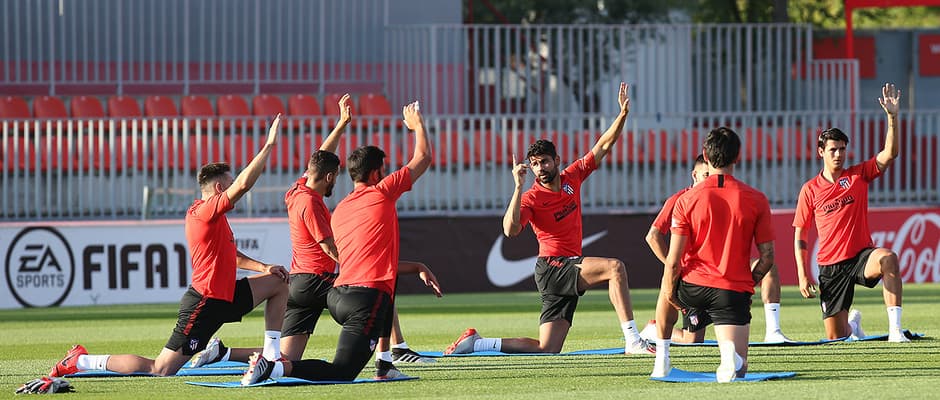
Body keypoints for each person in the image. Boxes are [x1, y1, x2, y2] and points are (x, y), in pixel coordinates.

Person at [190, 96, 440, 373]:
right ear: (331, 177)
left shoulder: (298, 189)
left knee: (287, 358)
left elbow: (320, 159)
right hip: (316, 281)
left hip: (298, 282)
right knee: (376, 286)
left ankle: (223, 352)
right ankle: (391, 356)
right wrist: (361, 261)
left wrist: (342, 124)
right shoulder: (311, 204)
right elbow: (329, 248)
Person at [49, 116, 290, 377]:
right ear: (220, 188)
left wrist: (263, 267)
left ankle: (271, 356)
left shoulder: (216, 218)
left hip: (226, 295)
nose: (234, 190)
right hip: (205, 302)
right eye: (228, 186)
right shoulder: (204, 212)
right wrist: (269, 145)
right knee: (161, 369)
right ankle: (81, 361)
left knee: (278, 281)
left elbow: (231, 256)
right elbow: (244, 185)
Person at [443, 83, 653, 356]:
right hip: (553, 266)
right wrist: (517, 188)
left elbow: (603, 145)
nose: (539, 168)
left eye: (544, 161)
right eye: (534, 164)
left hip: (561, 268)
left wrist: (622, 115)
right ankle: (634, 341)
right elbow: (510, 231)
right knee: (615, 268)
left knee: (547, 348)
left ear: (557, 160)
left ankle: (477, 342)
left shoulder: (572, 177)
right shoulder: (530, 197)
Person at [651, 126, 775, 382]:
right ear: (737, 157)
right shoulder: (757, 199)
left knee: (668, 279)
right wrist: (748, 283)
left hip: (693, 288)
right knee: (739, 371)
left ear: (705, 155)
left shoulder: (686, 200)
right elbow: (767, 258)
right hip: (731, 291)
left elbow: (673, 262)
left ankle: (661, 360)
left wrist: (671, 292)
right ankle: (730, 356)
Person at [793, 83, 908, 342]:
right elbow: (801, 233)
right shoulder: (809, 189)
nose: (838, 154)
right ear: (821, 152)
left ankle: (895, 331)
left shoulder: (858, 175)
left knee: (889, 257)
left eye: (842, 149)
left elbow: (890, 154)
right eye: (833, 149)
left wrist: (892, 117)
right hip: (830, 267)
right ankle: (852, 327)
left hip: (860, 257)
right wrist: (801, 273)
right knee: (836, 337)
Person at [642, 155, 791, 344]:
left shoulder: (724, 195)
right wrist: (674, 265)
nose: (709, 178)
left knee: (771, 269)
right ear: (694, 175)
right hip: (696, 274)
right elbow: (653, 236)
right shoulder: (680, 200)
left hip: (725, 267)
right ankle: (654, 330)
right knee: (693, 340)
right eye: (705, 175)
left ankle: (773, 331)